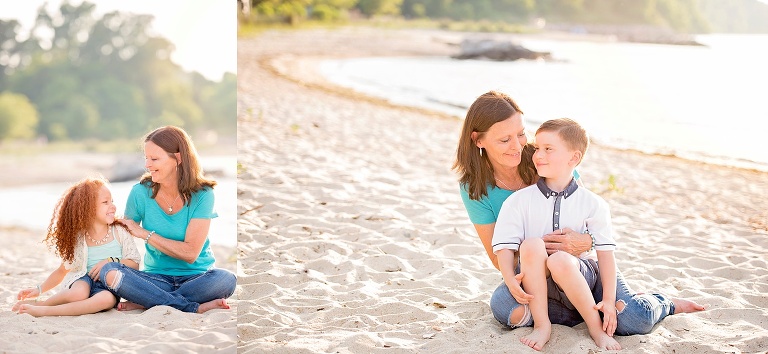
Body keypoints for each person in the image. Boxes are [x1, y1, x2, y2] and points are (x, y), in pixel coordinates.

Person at [452, 91, 705, 346]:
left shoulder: (548, 158)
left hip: (579, 267)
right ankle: (575, 311)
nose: (518, 146)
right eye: (505, 139)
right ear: (478, 140)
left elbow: (589, 225)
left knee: (632, 320)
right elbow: (499, 257)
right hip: (537, 275)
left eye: (520, 133)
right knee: (504, 307)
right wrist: (537, 253)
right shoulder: (475, 188)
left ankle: (663, 303)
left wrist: (583, 243)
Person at [492, 118, 620, 350]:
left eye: (548, 149)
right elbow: (505, 246)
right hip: (536, 280)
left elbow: (605, 255)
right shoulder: (519, 201)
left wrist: (609, 301)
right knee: (530, 245)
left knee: (560, 259)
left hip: (579, 276)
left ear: (574, 158)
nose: (538, 155)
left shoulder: (593, 203)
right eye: (537, 148)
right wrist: (510, 280)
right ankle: (543, 325)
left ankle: (594, 328)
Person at [99, 125, 236, 313]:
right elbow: (120, 239)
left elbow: (190, 254)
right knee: (109, 271)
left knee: (226, 280)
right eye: (146, 158)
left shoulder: (203, 194)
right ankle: (187, 306)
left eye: (154, 158)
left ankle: (148, 300)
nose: (147, 164)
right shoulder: (140, 193)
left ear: (177, 158)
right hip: (156, 279)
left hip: (197, 278)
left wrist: (145, 234)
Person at [13, 176, 141, 317]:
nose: (112, 206)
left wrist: (111, 261)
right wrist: (39, 289)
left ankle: (45, 310)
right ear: (88, 209)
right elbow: (62, 271)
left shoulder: (119, 232)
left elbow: (134, 263)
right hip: (83, 279)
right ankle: (43, 304)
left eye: (112, 201)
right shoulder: (80, 238)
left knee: (107, 300)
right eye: (105, 202)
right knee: (79, 293)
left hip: (108, 285)